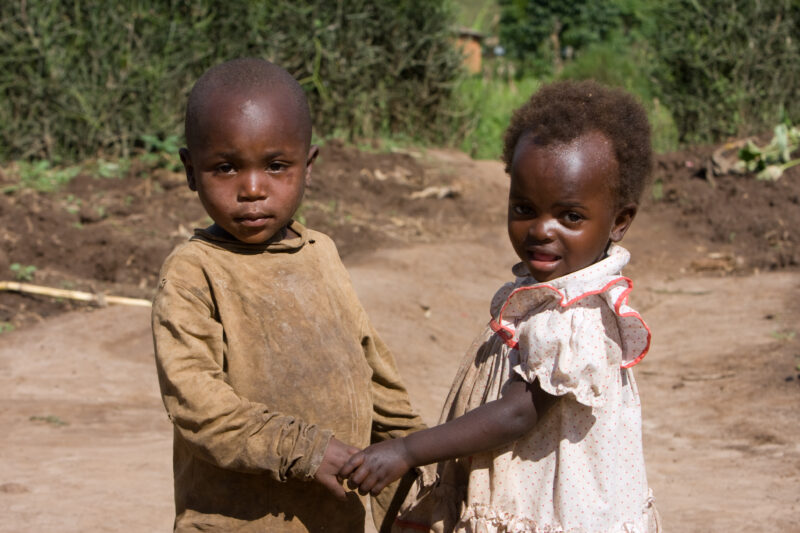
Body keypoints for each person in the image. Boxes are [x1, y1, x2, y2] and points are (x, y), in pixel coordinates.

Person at [340, 80, 661, 532]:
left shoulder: (577, 317)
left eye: (570, 216)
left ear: (619, 221)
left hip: (552, 508)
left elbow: (517, 412)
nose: (541, 230)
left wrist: (408, 450)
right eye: (524, 209)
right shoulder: (544, 293)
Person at [151, 57, 425, 533]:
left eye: (276, 166)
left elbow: (376, 380)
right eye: (225, 168)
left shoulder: (322, 255)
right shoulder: (194, 272)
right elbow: (198, 408)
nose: (252, 189)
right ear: (191, 171)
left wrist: (422, 461)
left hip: (334, 520)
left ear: (308, 166)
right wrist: (305, 450)